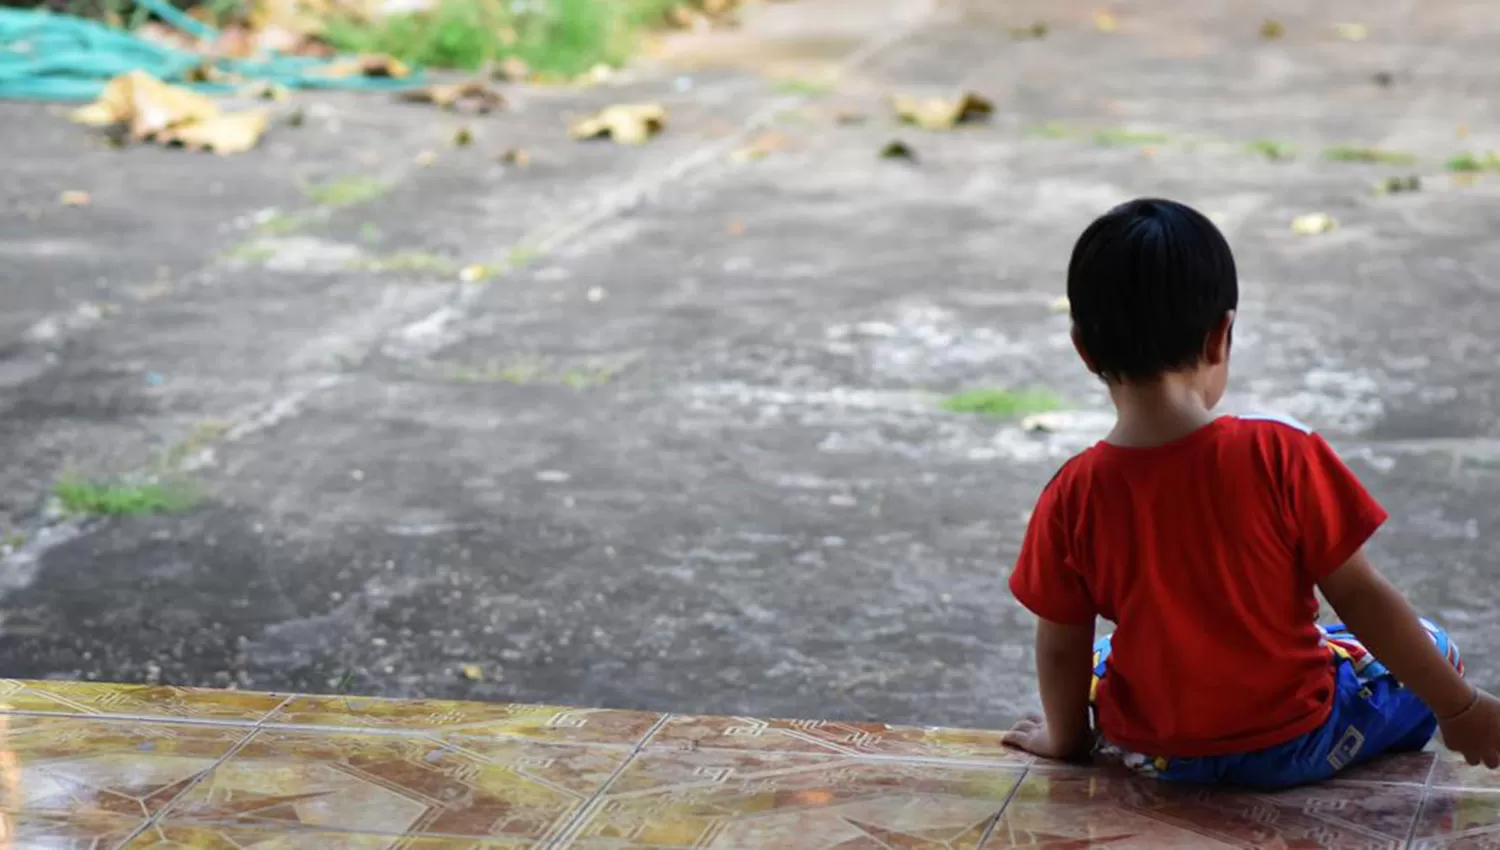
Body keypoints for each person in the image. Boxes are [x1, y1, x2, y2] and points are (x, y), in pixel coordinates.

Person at [1001, 198, 1500, 787]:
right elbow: (1361, 597)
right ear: (1221, 336)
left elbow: (1061, 643)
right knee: (1432, 645)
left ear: (1085, 351)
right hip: (1292, 742)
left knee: (1105, 657)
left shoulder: (1071, 493)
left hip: (1159, 755)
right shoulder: (1280, 453)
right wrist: (1460, 708)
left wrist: (1066, 740)